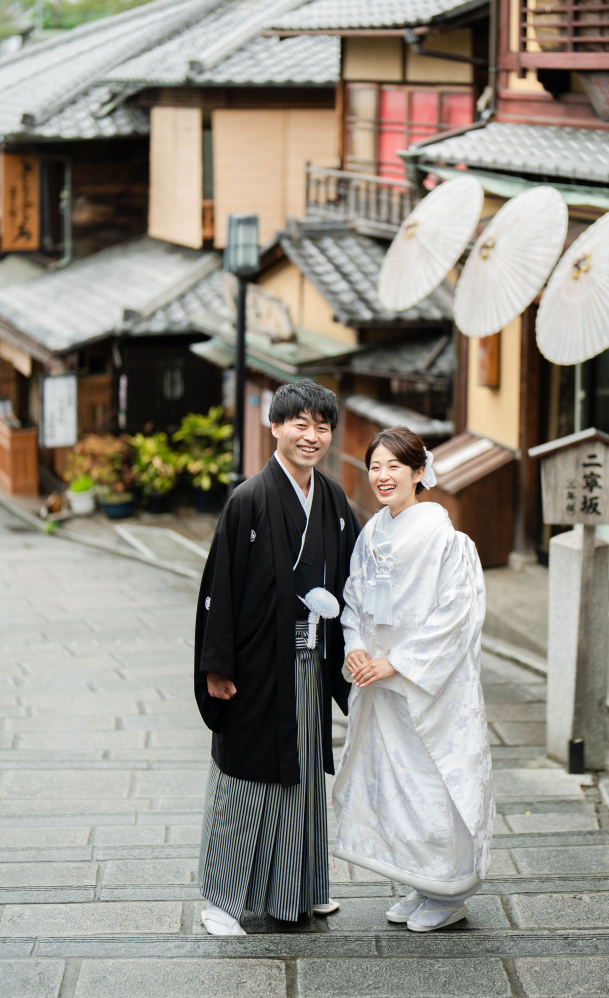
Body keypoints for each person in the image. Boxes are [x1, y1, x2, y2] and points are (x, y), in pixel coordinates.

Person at [194, 379, 359, 934]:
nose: (312, 436)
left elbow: (358, 579)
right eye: (300, 424)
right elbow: (220, 586)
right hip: (259, 663)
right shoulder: (248, 499)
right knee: (244, 774)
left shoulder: (333, 499)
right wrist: (218, 665)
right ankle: (221, 900)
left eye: (321, 426)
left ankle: (299, 891)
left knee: (303, 775)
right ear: (275, 428)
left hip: (310, 663)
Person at [332, 425, 494, 933]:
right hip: (380, 684)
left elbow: (455, 615)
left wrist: (397, 661)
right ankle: (421, 880)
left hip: (428, 687)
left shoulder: (446, 539)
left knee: (433, 781)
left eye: (393, 467)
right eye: (375, 466)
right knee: (394, 781)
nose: (382, 476)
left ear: (419, 472)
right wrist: (356, 648)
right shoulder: (372, 532)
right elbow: (353, 598)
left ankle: (450, 890)